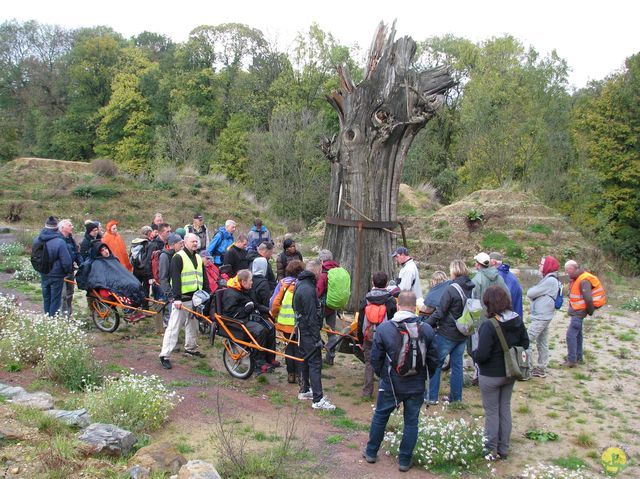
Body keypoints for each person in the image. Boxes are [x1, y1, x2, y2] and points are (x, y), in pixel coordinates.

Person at [363, 291, 438, 472]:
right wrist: (423, 374)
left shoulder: (385, 328)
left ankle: (371, 452)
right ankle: (404, 460)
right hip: (416, 384)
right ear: (415, 308)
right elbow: (435, 359)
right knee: (411, 421)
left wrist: (384, 376)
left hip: (391, 383)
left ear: (397, 306)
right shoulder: (427, 329)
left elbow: (375, 359)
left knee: (381, 416)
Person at [473, 286, 529, 461]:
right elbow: (525, 343)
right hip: (510, 372)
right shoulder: (517, 320)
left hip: (490, 374)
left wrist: (473, 354)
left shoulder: (489, 325)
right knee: (505, 409)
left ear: (489, 303)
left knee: (491, 412)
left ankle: (490, 449)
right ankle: (503, 448)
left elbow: (482, 355)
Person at [425, 260, 475, 405]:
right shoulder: (472, 287)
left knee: (436, 363)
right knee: (457, 366)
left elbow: (440, 312)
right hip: (463, 332)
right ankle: (456, 398)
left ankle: (432, 397)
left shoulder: (451, 289)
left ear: (454, 271)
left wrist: (425, 324)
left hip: (447, 333)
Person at [159, 233, 209, 370]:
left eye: (196, 241)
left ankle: (191, 349)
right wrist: (177, 298)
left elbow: (203, 277)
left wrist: (206, 293)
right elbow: (175, 279)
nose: (195, 243)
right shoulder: (178, 257)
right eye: (192, 241)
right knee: (174, 327)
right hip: (182, 299)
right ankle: (165, 355)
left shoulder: (198, 257)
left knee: (193, 325)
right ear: (185, 242)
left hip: (196, 298)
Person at [294, 260, 336, 410]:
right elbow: (311, 316)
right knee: (315, 363)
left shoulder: (301, 283)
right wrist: (317, 338)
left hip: (302, 329)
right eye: (321, 271)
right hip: (308, 331)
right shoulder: (308, 289)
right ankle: (318, 399)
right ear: (316, 271)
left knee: (305, 360)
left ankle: (305, 390)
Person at [222, 269, 277, 374]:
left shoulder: (245, 290)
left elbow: (255, 304)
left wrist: (268, 310)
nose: (252, 282)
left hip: (248, 317)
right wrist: (246, 310)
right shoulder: (231, 294)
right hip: (237, 322)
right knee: (260, 330)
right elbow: (230, 313)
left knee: (270, 326)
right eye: (250, 280)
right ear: (243, 282)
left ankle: (270, 358)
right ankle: (259, 362)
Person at [358, 271, 397, 399]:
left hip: (369, 337)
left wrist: (360, 339)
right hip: (386, 338)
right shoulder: (391, 301)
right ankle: (385, 391)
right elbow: (394, 321)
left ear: (373, 282)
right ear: (386, 283)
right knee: (386, 363)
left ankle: (367, 392)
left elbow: (360, 322)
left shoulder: (366, 300)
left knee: (369, 364)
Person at [564, 260, 606, 367]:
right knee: (578, 334)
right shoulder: (579, 278)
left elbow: (588, 298)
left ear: (573, 269)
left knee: (571, 334)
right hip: (579, 310)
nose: (566, 273)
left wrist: (590, 311)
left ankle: (572, 360)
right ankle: (578, 357)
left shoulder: (583, 280)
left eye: (567, 270)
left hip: (580, 311)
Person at [270, 260, 305, 384]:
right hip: (299, 324)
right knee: (300, 348)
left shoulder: (283, 284)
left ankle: (291, 374)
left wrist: (274, 315)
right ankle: (301, 375)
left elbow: (274, 302)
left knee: (289, 348)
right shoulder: (304, 284)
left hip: (285, 324)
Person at [526, 256, 561, 378]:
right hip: (545, 315)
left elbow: (530, 293)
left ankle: (527, 368)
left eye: (541, 264)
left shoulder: (550, 281)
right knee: (542, 341)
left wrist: (533, 291)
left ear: (548, 266)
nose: (539, 266)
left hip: (542, 316)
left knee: (526, 340)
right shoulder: (549, 279)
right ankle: (541, 368)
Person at [33, 216, 73, 317]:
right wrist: (67, 272)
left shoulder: (37, 240)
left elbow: (34, 257)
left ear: (45, 227)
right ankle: (52, 321)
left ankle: (47, 319)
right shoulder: (60, 242)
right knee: (55, 300)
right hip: (57, 275)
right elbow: (67, 262)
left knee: (46, 298)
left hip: (43, 273)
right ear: (56, 228)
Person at [316, 249, 341, 365]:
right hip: (333, 305)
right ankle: (330, 357)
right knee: (332, 332)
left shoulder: (324, 273)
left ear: (321, 260)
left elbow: (318, 291)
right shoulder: (337, 270)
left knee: (316, 331)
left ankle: (317, 355)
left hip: (322, 306)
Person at [158, 234, 184, 327]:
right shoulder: (164, 256)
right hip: (168, 292)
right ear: (173, 244)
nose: (182, 245)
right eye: (180, 243)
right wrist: (169, 294)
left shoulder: (177, 254)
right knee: (171, 317)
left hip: (175, 291)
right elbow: (163, 277)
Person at [58, 219, 82, 317]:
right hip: (60, 272)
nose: (72, 227)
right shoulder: (58, 240)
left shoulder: (71, 239)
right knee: (62, 295)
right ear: (62, 228)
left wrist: (82, 264)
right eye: (70, 225)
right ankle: (63, 317)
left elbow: (76, 253)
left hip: (70, 270)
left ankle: (68, 315)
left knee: (70, 294)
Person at [490, 252, 523, 319]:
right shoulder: (509, 274)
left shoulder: (498, 277)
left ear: (493, 262)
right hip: (516, 317)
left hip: (508, 319)